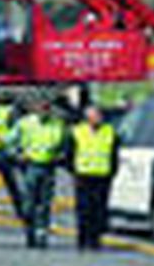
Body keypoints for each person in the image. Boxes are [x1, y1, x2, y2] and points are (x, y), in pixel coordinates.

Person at [14, 97, 69, 248]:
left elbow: (65, 144)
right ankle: (29, 231)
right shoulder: (25, 123)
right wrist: (17, 154)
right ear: (35, 109)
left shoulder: (58, 124)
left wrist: (62, 155)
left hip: (49, 167)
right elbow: (10, 140)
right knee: (29, 203)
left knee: (44, 203)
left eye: (46, 108)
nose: (43, 111)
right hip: (30, 166)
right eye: (40, 108)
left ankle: (41, 233)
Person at [70, 104, 119, 251]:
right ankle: (82, 239)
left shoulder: (109, 132)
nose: (97, 118)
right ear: (87, 118)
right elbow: (69, 153)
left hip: (102, 175)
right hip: (83, 175)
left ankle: (95, 239)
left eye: (99, 115)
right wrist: (74, 170)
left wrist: (112, 171)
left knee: (99, 210)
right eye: (94, 116)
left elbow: (114, 154)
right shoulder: (78, 132)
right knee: (83, 209)